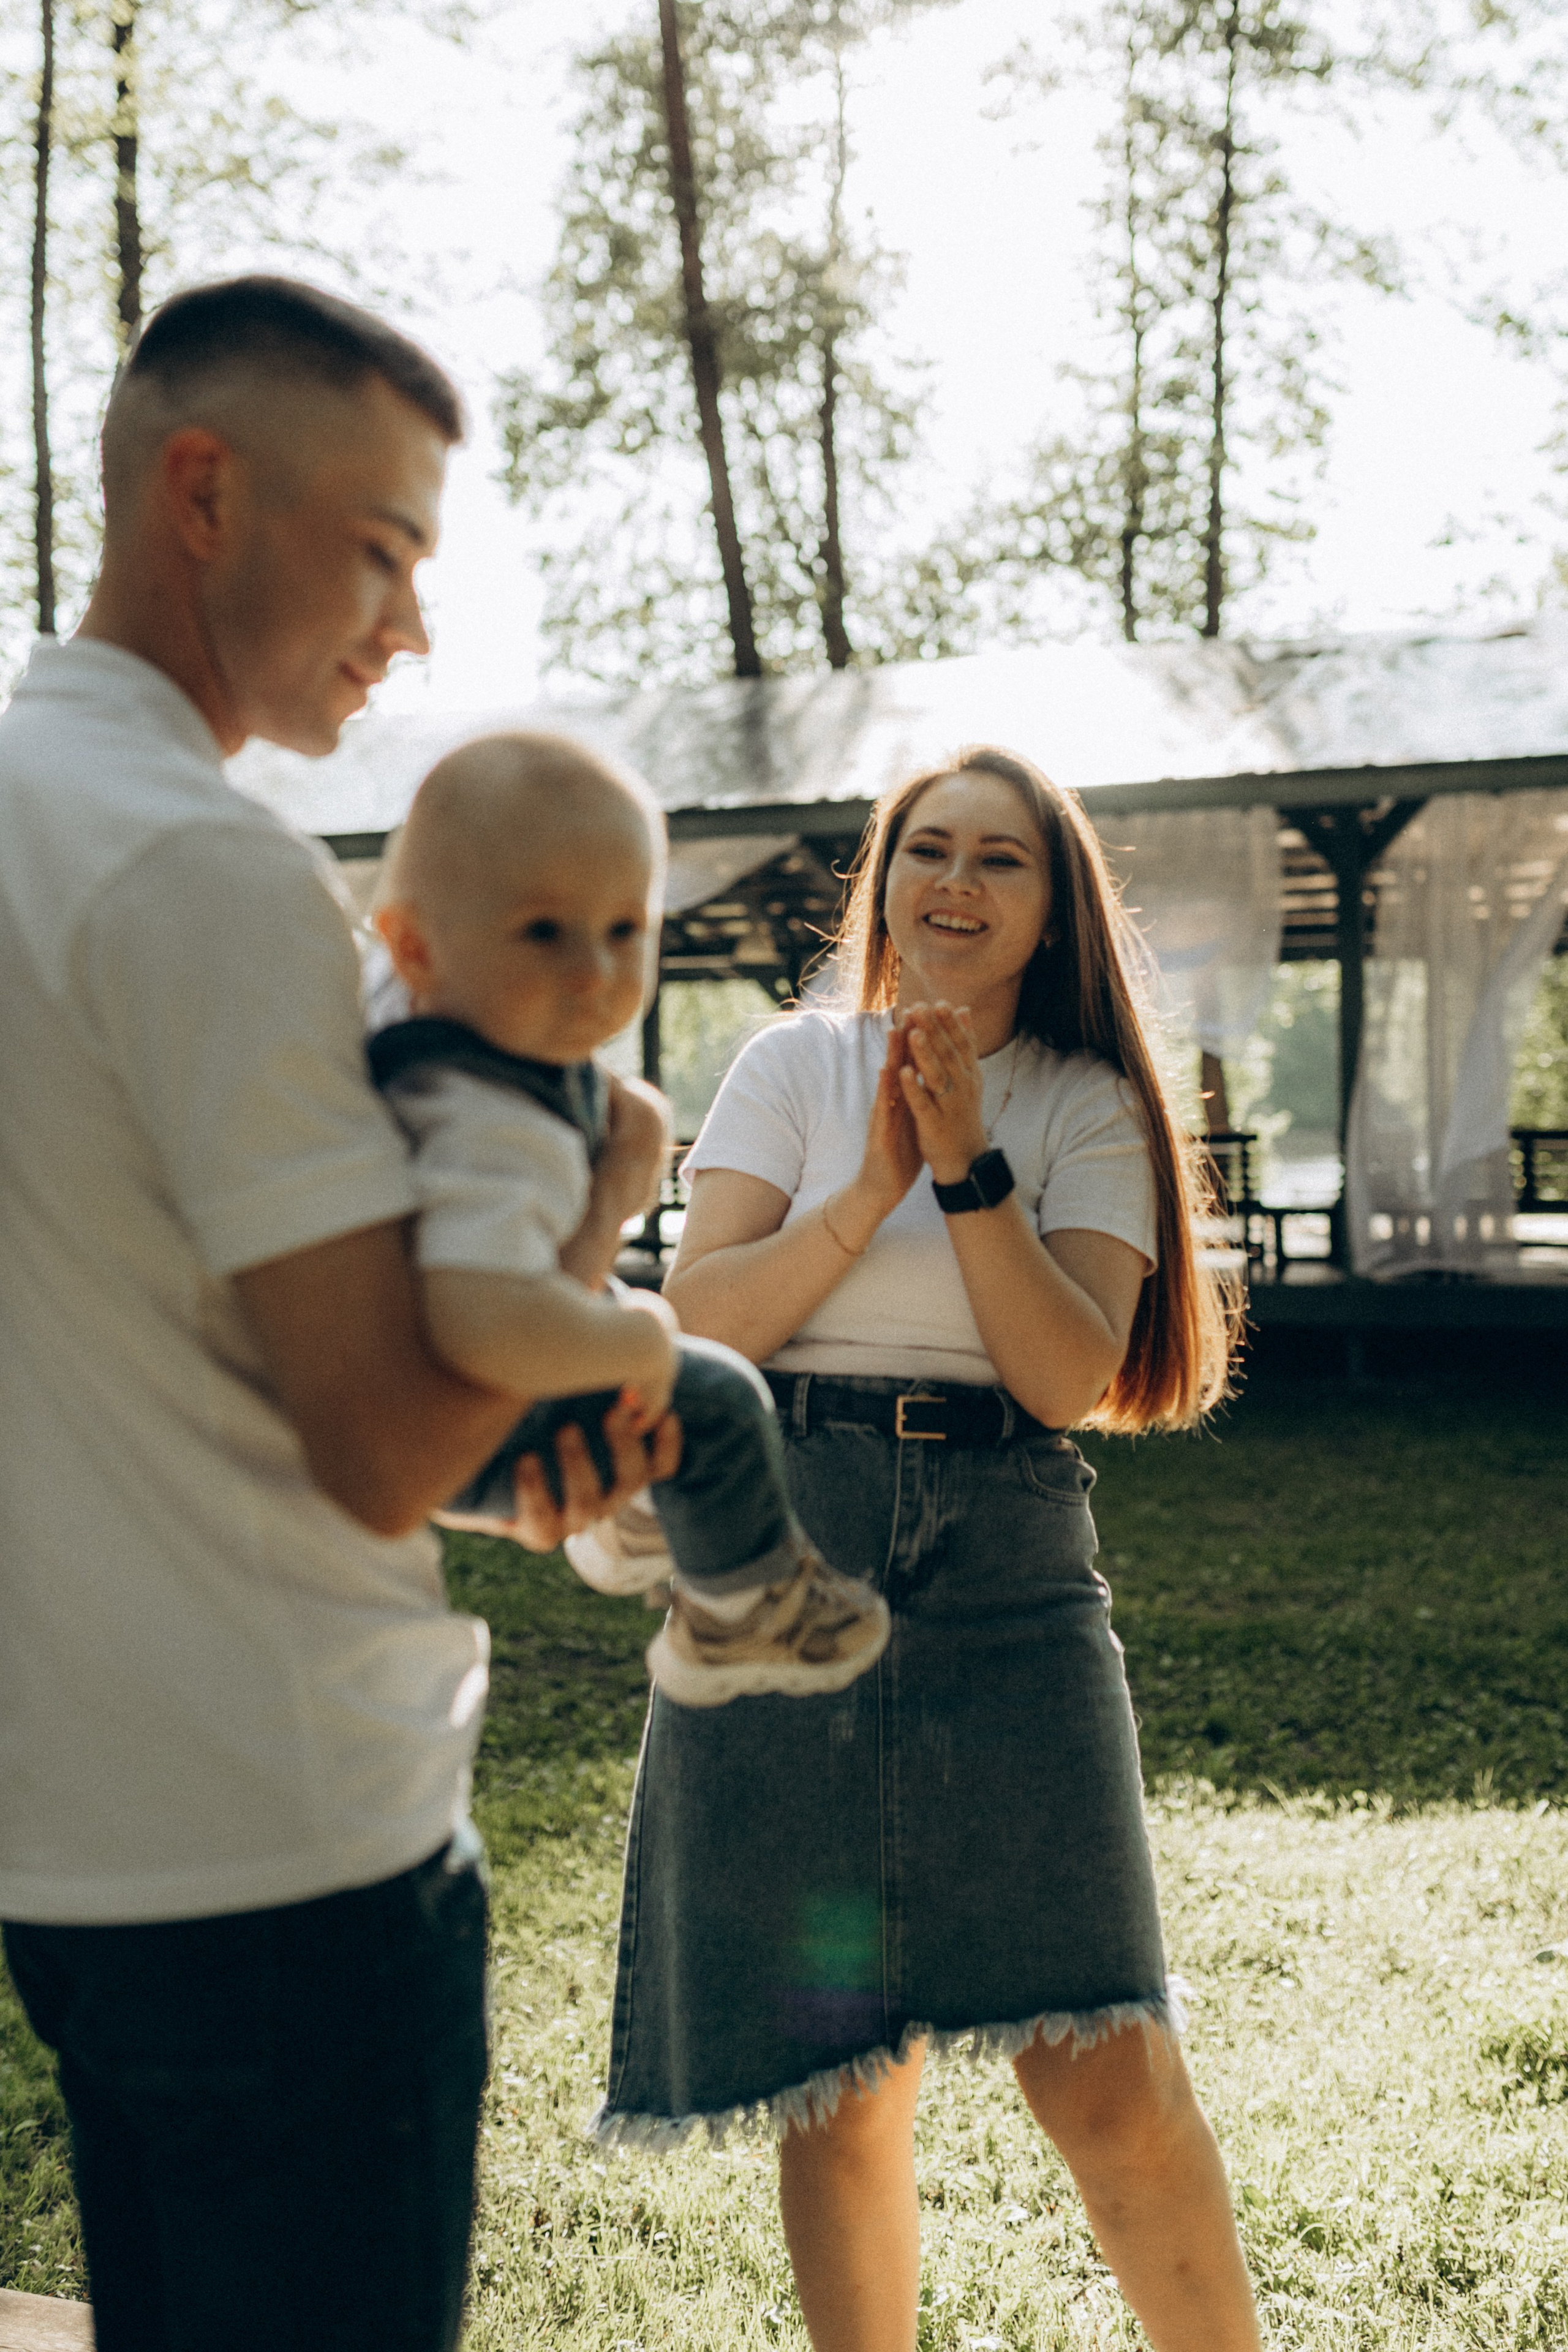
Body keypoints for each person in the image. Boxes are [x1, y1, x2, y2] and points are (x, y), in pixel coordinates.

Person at [0, 276, 665, 2352]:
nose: (412, 625)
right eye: (383, 544)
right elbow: (389, 1442)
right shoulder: (201, 875)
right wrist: (607, 1240)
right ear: (201, 491)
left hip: (67, 1832)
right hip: (290, 1839)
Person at [594, 747, 1261, 2352]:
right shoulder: (792, 1070)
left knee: (1104, 2063)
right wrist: (863, 1193)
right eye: (927, 851)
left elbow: (1064, 1373)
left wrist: (965, 1169)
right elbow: (697, 1325)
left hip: (1006, 1571)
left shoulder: (1087, 1102)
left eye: (1001, 861)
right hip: (790, 1557)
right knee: (839, 2074)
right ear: (885, 881)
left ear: (1053, 910)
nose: (955, 884)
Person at [368, 729, 890, 1705]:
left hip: (477, 1384)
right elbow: (483, 1324)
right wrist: (639, 1338)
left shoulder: (420, 1018)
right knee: (719, 1394)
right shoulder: (486, 1121)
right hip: (478, 1426)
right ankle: (739, 1615)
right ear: (414, 946)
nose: (596, 973)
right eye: (543, 933)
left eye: (625, 930)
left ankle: (645, 1514)